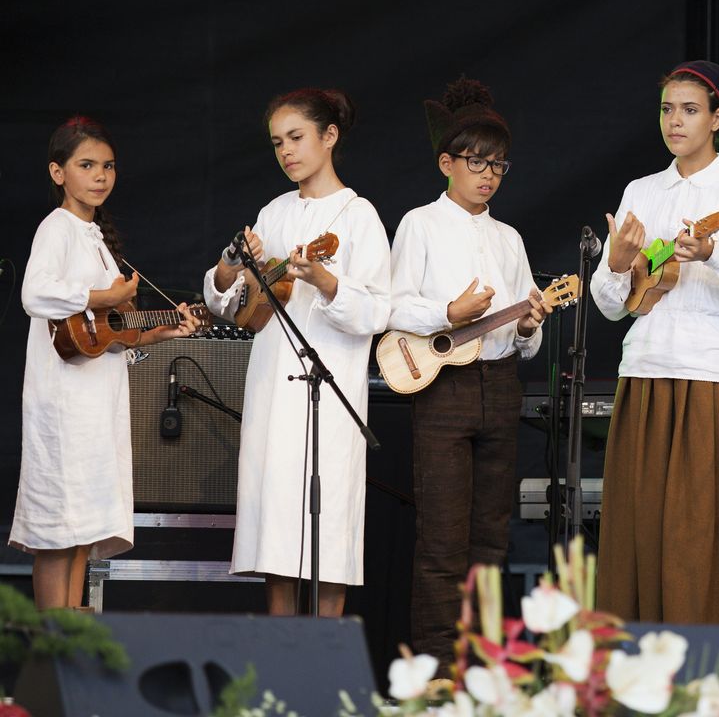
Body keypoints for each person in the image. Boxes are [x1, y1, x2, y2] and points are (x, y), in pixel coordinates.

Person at [590, 61, 719, 625]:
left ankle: (717, 667)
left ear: (717, 117)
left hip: (717, 375)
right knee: (641, 524)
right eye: (667, 109)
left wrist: (713, 254)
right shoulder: (643, 189)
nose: (675, 121)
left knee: (709, 528)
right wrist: (614, 266)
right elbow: (612, 303)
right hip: (647, 369)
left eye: (689, 110)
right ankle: (637, 663)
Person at [203, 88, 391, 617]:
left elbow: (378, 312)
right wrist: (233, 267)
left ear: (329, 137)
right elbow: (238, 308)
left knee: (326, 526)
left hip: (326, 391)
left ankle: (323, 660)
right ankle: (278, 654)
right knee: (277, 529)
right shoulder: (273, 212)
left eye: (297, 137)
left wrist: (327, 282)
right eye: (277, 143)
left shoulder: (359, 217)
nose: (286, 151)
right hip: (270, 386)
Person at [388, 77, 549, 675]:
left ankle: (480, 674)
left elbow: (524, 341)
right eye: (476, 163)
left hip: (501, 386)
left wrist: (530, 325)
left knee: (491, 541)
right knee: (441, 544)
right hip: (444, 390)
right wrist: (446, 314)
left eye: (498, 165)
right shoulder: (419, 224)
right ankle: (433, 677)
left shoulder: (509, 238)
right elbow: (391, 306)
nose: (488, 175)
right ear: (446, 164)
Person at [11, 116, 200, 610]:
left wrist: (162, 329)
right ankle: (55, 646)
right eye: (86, 165)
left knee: (82, 530)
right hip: (64, 404)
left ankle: (72, 635)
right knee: (59, 529)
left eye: (108, 166)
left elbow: (110, 334)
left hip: (96, 403)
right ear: (58, 173)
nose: (100, 176)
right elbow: (35, 294)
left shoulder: (96, 238)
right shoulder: (57, 227)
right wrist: (105, 294)